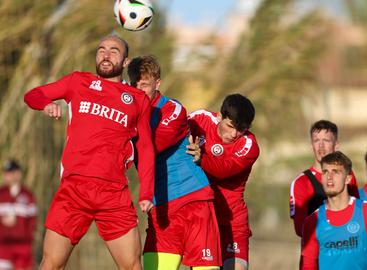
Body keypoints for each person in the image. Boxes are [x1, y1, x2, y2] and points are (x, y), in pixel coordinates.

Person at [23, 34, 155, 270]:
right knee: (51, 264)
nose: (106, 54)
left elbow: (145, 147)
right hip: (74, 190)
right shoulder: (77, 82)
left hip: (113, 194)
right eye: (101, 49)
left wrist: (146, 192)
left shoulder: (137, 99)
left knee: (133, 266)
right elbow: (33, 94)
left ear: (126, 61)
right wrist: (46, 104)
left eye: (114, 50)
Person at [127, 55, 221, 270]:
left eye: (145, 86)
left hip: (192, 201)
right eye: (134, 86)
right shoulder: (128, 110)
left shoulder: (172, 109)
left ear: (158, 84)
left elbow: (150, 147)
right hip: (160, 208)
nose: (139, 91)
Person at [188, 94, 260, 270]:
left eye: (241, 129)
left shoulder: (249, 145)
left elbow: (224, 168)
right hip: (202, 220)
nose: (234, 134)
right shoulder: (200, 119)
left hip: (232, 222)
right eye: (230, 126)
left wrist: (201, 158)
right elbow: (173, 134)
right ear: (220, 116)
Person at [290, 120, 359, 237]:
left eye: (326, 140)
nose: (321, 145)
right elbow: (300, 229)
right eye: (316, 141)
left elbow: (357, 214)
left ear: (336, 145)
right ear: (311, 145)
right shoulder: (301, 182)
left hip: (345, 251)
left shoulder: (348, 175)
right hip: (318, 253)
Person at [0, 159, 37, 270]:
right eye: (6, 173)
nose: (8, 176)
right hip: (3, 247)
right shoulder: (1, 194)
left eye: (11, 172)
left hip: (23, 247)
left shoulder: (28, 196)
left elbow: (32, 223)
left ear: (18, 174)